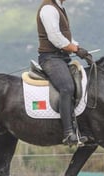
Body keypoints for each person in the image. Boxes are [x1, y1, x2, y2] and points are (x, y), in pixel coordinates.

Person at [37, 0, 92, 146]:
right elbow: (55, 37)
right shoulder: (48, 8)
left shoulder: (59, 7)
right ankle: (68, 133)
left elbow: (66, 37)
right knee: (67, 87)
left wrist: (79, 48)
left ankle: (78, 128)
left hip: (61, 58)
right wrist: (75, 50)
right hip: (50, 58)